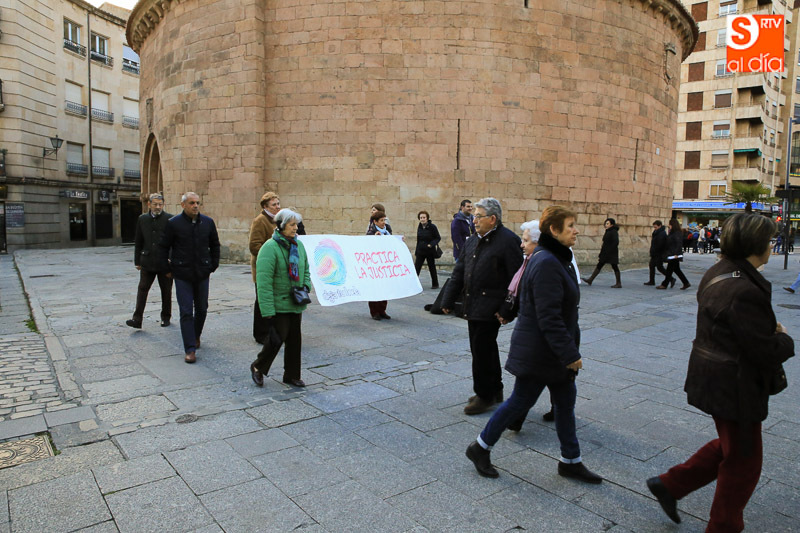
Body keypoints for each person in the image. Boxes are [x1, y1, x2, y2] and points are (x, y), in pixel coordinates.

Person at [647, 213, 794, 531]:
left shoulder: (721, 271)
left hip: (716, 375)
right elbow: (763, 350)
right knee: (744, 462)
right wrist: (783, 338)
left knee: (733, 446)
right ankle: (723, 525)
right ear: (755, 244)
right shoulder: (744, 289)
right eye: (768, 241)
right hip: (734, 384)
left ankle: (671, 484)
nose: (771, 246)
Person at [465, 205, 602, 484]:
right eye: (571, 226)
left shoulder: (555, 258)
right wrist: (569, 354)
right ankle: (479, 447)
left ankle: (571, 461)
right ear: (554, 230)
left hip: (550, 351)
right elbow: (548, 316)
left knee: (565, 403)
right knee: (520, 402)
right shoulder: (547, 262)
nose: (576, 230)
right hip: (542, 353)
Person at [441, 198, 523, 415]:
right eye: (474, 216)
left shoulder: (508, 241)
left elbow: (517, 280)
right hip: (473, 303)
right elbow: (460, 271)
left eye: (478, 216)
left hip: (491, 306)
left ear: (492, 219)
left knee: (481, 350)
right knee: (485, 348)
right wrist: (448, 299)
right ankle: (494, 389)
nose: (474, 220)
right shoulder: (472, 240)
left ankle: (484, 395)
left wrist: (508, 310)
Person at [250, 208, 311, 388]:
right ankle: (258, 366)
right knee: (276, 339)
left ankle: (292, 375)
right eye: (292, 225)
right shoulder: (269, 248)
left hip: (296, 301)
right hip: (278, 303)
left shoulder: (298, 246)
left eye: (296, 225)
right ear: (281, 226)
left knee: (295, 340)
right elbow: (264, 281)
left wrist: (305, 286)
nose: (295, 228)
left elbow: (306, 269)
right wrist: (267, 310)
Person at [159, 192, 220, 364]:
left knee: (202, 308)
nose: (195, 206)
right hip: (182, 273)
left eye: (197, 203)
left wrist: (212, 265)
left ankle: (195, 335)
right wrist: (167, 269)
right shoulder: (174, 223)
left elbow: (215, 245)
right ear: (183, 205)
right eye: (192, 203)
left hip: (202, 272)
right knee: (186, 311)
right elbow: (163, 247)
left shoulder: (207, 222)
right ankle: (190, 348)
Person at [127, 193, 173, 329]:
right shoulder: (142, 219)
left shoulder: (170, 219)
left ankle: (165, 317)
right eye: (155, 204)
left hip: (165, 263)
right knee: (142, 289)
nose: (158, 207)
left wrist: (171, 258)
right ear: (149, 204)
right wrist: (137, 261)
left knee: (166, 291)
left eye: (160, 204)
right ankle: (137, 319)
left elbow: (174, 242)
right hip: (147, 261)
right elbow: (138, 241)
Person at [249, 192, 280, 344]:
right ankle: (261, 334)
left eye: (278, 203)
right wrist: (271, 255)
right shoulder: (260, 221)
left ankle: (273, 331)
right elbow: (254, 245)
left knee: (274, 301)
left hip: (277, 269)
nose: (277, 207)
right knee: (262, 300)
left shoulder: (279, 220)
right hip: (263, 268)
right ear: (265, 207)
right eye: (274, 205)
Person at [581, 218, 621, 288]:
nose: (606, 225)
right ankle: (590, 280)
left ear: (611, 225)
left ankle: (618, 283)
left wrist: (610, 251)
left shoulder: (613, 231)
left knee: (614, 266)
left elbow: (616, 242)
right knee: (600, 265)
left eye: (607, 223)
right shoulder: (608, 231)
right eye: (606, 223)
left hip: (611, 253)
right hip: (605, 252)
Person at [367, 211, 393, 320]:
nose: (383, 222)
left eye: (384, 220)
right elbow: (366, 246)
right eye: (381, 220)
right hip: (375, 266)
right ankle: (374, 312)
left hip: (385, 264)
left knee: (385, 288)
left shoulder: (387, 231)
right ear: (375, 222)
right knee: (375, 288)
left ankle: (382, 310)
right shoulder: (371, 232)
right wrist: (374, 238)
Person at [657, 219, 690, 290]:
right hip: (672, 253)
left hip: (674, 255)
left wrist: (676, 254)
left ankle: (664, 284)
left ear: (673, 225)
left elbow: (678, 244)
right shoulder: (673, 232)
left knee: (669, 270)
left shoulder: (677, 233)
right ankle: (686, 283)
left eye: (670, 224)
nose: (669, 226)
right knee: (676, 269)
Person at [414, 211, 441, 289]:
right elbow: (418, 239)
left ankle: (435, 284)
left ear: (427, 218)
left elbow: (438, 238)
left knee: (432, 267)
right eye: (421, 218)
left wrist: (431, 244)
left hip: (429, 251)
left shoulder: (432, 227)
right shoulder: (419, 226)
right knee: (417, 268)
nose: (422, 219)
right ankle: (414, 284)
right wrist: (416, 251)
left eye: (424, 217)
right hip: (420, 251)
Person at [644, 220, 668, 286]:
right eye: (654, 227)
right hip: (654, 253)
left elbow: (660, 244)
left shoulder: (662, 233)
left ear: (660, 226)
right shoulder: (656, 232)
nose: (655, 228)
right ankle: (652, 281)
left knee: (660, 267)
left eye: (656, 227)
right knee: (652, 266)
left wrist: (656, 251)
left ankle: (671, 278)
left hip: (659, 253)